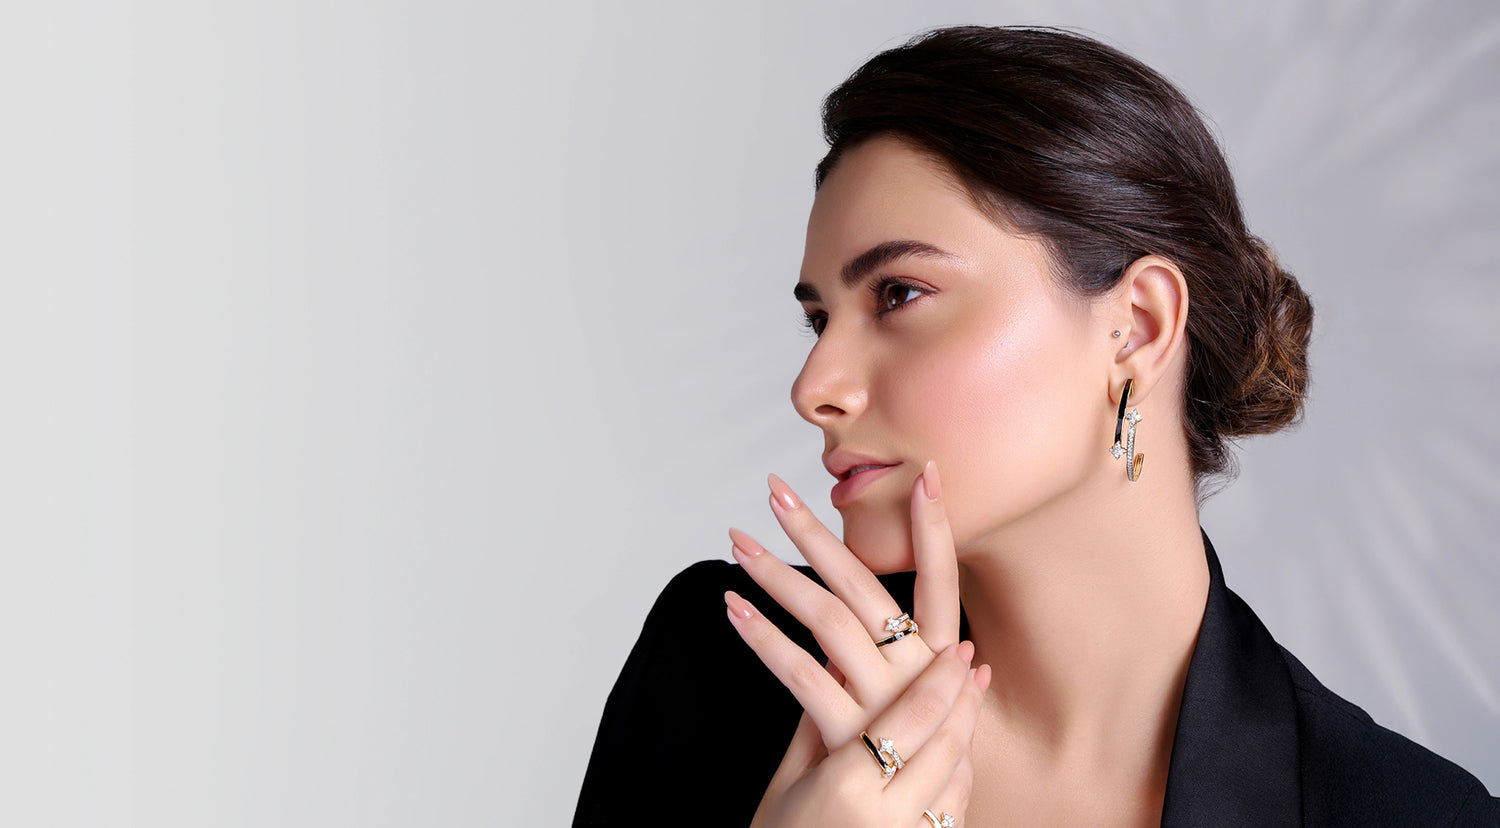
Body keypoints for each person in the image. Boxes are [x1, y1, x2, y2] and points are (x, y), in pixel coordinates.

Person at [574, 25, 1499, 827]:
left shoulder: (1407, 814)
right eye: (820, 318)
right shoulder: (721, 675)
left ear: (1135, 326)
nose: (814, 385)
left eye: (898, 294)